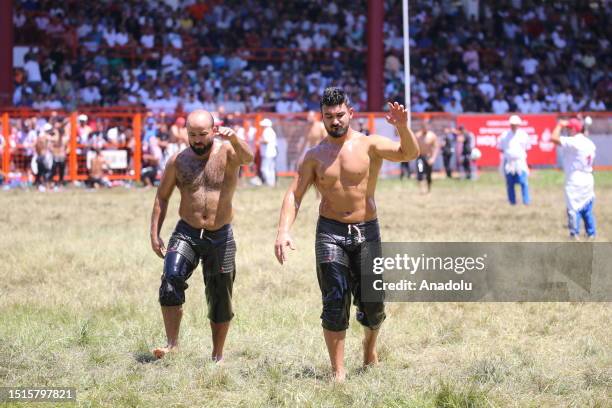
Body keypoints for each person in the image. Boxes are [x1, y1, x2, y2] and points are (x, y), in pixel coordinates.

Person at [274, 87, 419, 382]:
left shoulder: (369, 145)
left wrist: (402, 127)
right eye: (329, 117)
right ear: (322, 118)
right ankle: (338, 371)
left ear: (350, 114)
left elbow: (409, 153)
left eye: (340, 115)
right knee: (334, 299)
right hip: (330, 232)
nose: (335, 121)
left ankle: (369, 349)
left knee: (373, 303)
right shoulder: (314, 156)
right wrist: (283, 231)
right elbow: (295, 195)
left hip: (367, 230)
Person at [150, 109, 253, 361]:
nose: (197, 139)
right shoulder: (177, 161)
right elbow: (162, 197)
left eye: (202, 134)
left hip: (220, 235)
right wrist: (154, 233)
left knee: (220, 295)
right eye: (192, 134)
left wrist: (236, 139)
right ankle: (172, 344)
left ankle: (217, 355)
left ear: (214, 130)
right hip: (187, 231)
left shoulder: (228, 152)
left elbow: (248, 158)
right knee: (170, 279)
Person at [551, 118, 596, 239]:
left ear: (574, 129)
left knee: (572, 208)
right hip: (588, 177)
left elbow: (553, 138)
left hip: (575, 178)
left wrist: (560, 125)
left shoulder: (574, 141)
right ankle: (591, 233)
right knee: (587, 208)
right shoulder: (590, 143)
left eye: (569, 128)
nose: (567, 131)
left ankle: (574, 233)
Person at [498, 114, 531, 205]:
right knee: (510, 182)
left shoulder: (523, 135)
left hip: (520, 161)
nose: (514, 126)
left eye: (515, 124)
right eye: (512, 124)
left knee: (523, 181)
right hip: (509, 162)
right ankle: (512, 201)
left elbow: (527, 147)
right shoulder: (504, 135)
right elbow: (500, 147)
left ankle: (526, 200)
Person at [415, 121, 439, 194]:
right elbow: (414, 146)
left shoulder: (432, 136)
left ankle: (429, 190)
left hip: (428, 157)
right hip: (420, 157)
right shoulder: (417, 135)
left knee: (428, 174)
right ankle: (421, 190)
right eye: (423, 127)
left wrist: (433, 158)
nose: (424, 128)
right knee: (420, 171)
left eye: (426, 127)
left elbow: (436, 147)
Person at [259, 118, 277, 186]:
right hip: (272, 153)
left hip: (268, 153)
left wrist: (260, 141)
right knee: (271, 168)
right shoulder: (271, 131)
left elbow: (266, 141)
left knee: (264, 168)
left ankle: (269, 183)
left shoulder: (266, 131)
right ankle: (272, 183)